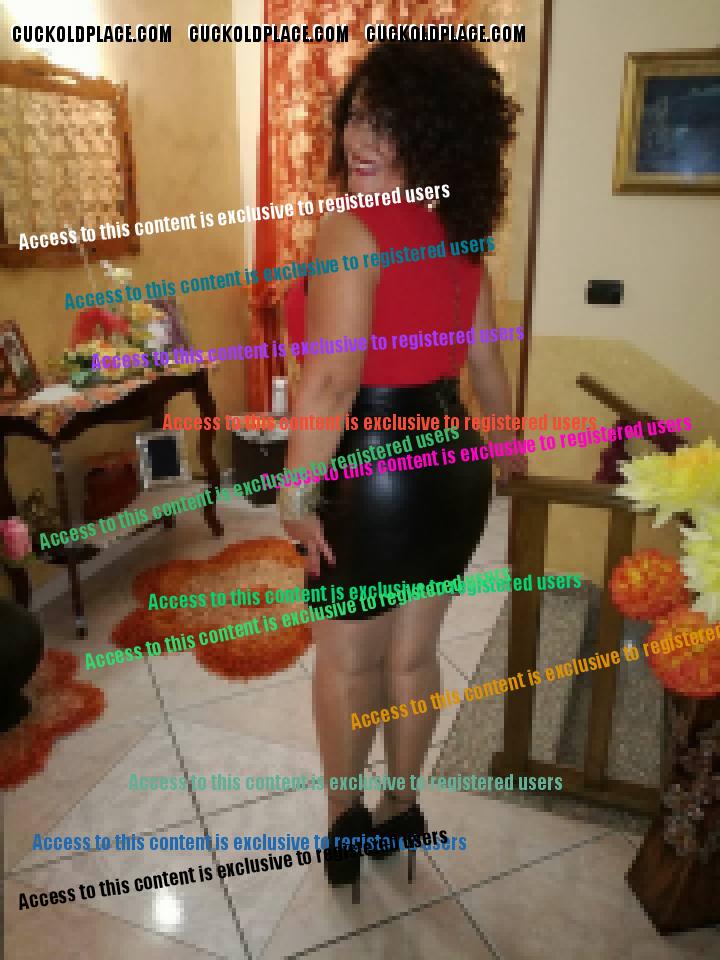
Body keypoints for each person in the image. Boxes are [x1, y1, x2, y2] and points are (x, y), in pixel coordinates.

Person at [279, 41, 526, 889]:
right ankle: (401, 807)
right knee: (413, 657)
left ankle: (344, 823)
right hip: (451, 464)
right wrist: (509, 448)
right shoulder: (463, 240)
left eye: (389, 122)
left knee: (351, 661)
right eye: (357, 115)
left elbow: (332, 379)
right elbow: (487, 367)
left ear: (433, 137)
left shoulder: (350, 229)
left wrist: (295, 490)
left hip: (371, 468)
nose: (362, 136)